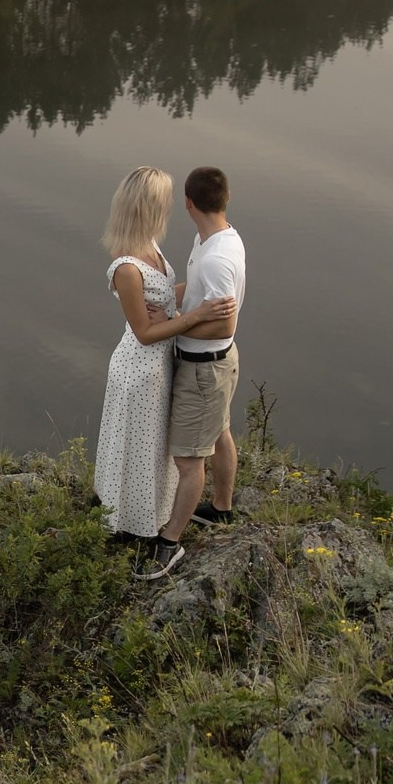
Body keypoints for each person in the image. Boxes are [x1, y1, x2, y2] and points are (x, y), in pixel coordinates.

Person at [92, 166, 236, 555]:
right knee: (137, 446)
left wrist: (199, 291)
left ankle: (146, 510)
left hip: (160, 364)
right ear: (148, 206)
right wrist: (194, 316)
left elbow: (162, 297)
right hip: (139, 370)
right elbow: (144, 331)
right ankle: (127, 521)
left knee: (152, 447)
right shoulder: (125, 265)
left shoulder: (150, 244)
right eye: (164, 200)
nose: (173, 206)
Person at [141, 165, 246, 579]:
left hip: (205, 370)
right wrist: (172, 297)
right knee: (219, 431)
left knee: (188, 461)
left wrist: (177, 320)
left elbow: (225, 323)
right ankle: (221, 508)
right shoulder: (219, 237)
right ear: (225, 199)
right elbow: (199, 294)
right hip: (218, 364)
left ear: (188, 203)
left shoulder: (217, 258)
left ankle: (170, 542)